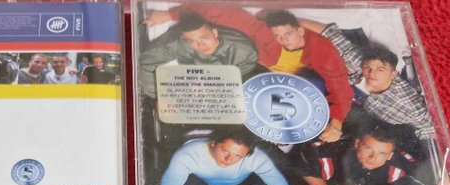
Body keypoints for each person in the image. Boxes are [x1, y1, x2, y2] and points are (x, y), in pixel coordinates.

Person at [145, 7, 352, 142]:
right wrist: (170, 15)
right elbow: (216, 10)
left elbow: (340, 85)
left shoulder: (322, 49)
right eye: (277, 35)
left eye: (288, 34)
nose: (282, 40)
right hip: (255, 74)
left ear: (300, 30)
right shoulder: (263, 33)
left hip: (292, 90)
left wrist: (337, 123)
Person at [303, 21, 434, 141]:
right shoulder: (358, 65)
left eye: (380, 70)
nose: (372, 73)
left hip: (376, 115)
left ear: (394, 74)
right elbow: (328, 33)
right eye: (368, 68)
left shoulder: (411, 108)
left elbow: (433, 129)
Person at [302, 124, 431, 185]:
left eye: (382, 153)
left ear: (390, 155)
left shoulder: (400, 167)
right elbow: (305, 170)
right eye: (368, 148)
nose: (372, 157)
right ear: (357, 143)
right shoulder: (335, 153)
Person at [159, 129, 295, 185]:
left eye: (238, 156)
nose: (229, 160)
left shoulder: (256, 157)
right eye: (225, 151)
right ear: (213, 143)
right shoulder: (187, 154)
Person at [139, 13, 258, 98]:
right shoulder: (178, 42)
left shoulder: (244, 52)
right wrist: (162, 97)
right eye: (191, 41)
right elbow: (147, 61)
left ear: (214, 33)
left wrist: (213, 87)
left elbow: (242, 83)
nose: (200, 45)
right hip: (189, 81)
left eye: (204, 38)